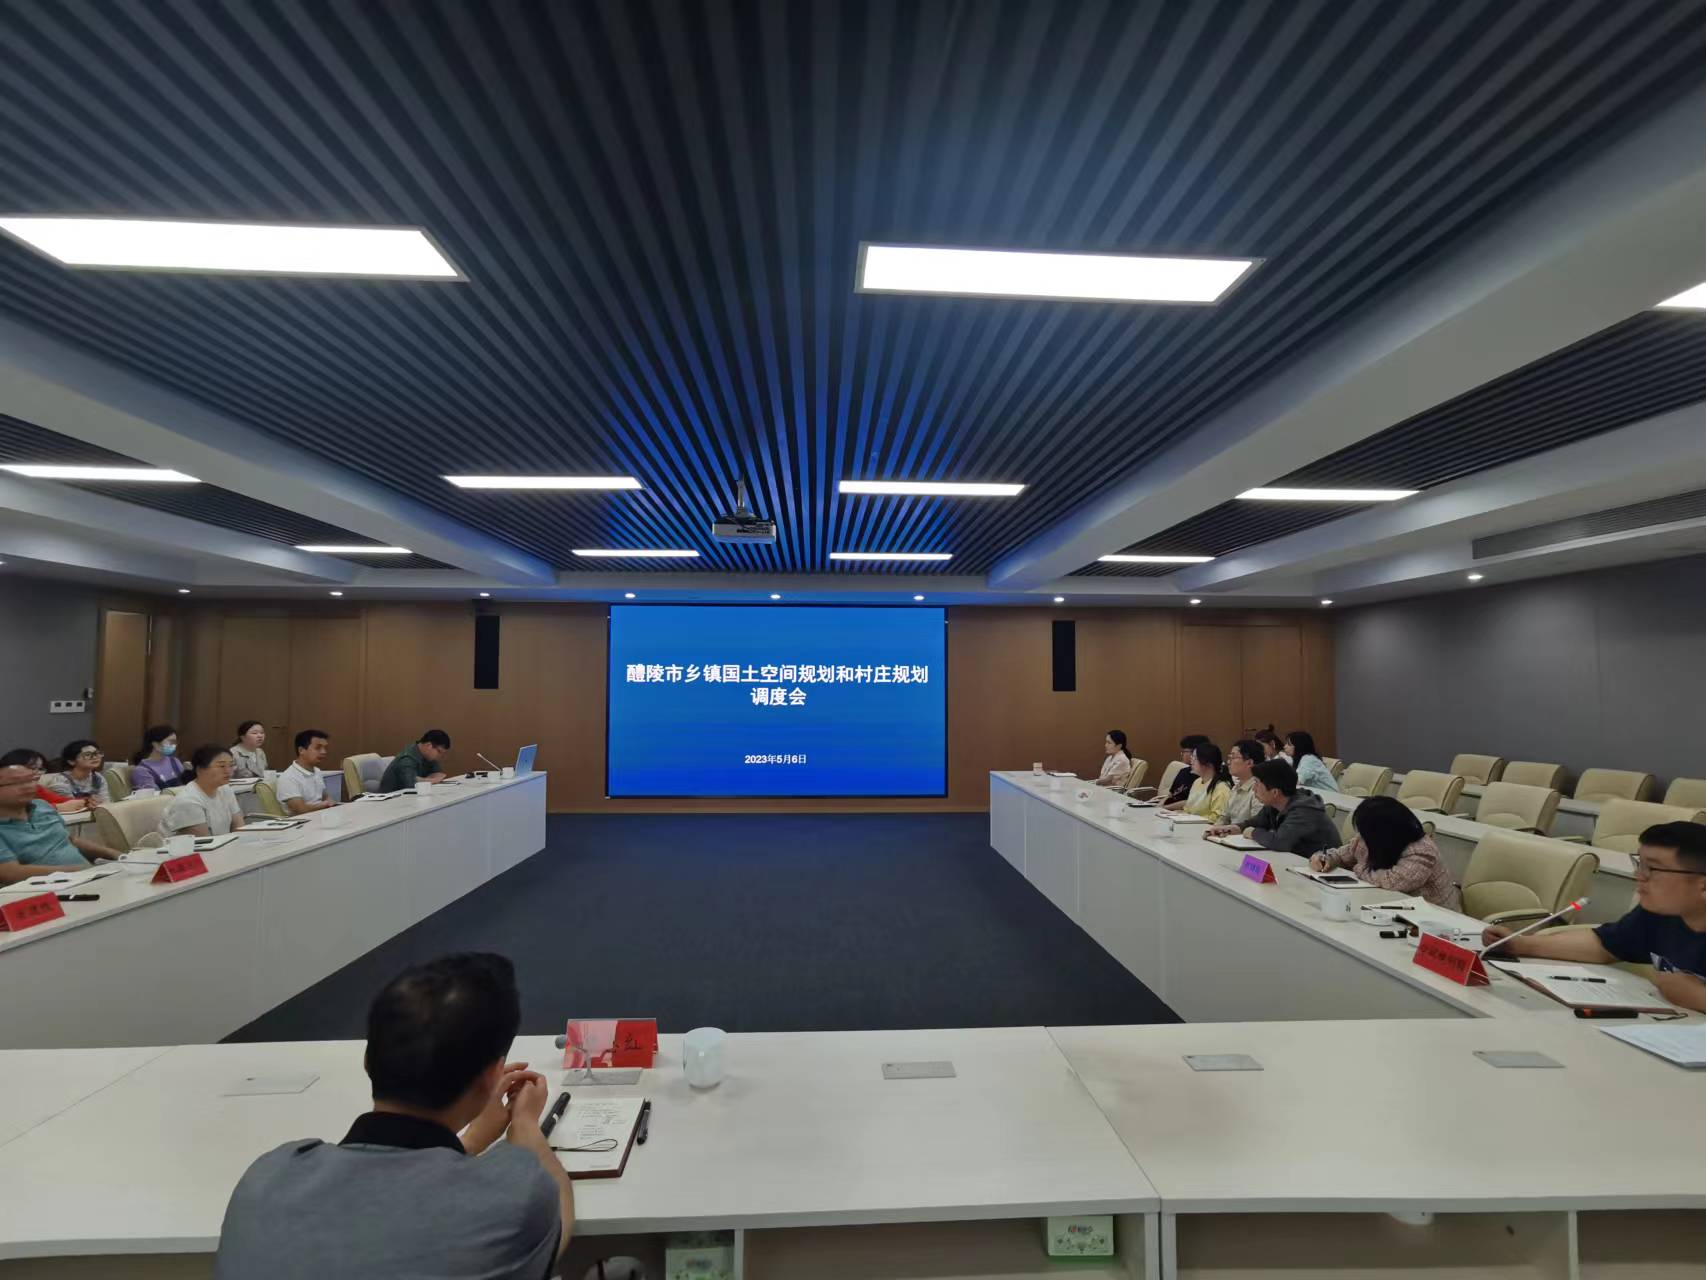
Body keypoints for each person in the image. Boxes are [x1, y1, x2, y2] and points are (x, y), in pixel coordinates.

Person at [214, 952, 574, 1279]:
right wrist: (525, 1125)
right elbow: (555, 1214)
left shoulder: (266, 1179)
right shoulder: (515, 1199)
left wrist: (472, 1139)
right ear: (491, 1078)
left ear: (367, 1060)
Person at [1482, 821, 1706, 1016]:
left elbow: (1692, 996)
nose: (1638, 876)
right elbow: (1603, 945)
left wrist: (1697, 997)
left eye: (1653, 869)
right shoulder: (1659, 913)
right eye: (1640, 864)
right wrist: (1520, 944)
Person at [1310, 795, 1459, 909]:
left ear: (1383, 831)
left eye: (1366, 832)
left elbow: (1391, 881)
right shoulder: (1369, 839)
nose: (1361, 837)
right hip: (1388, 907)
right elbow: (1341, 855)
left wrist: (1358, 867)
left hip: (1435, 918)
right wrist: (1324, 858)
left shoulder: (1422, 851)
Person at [0, 762, 122, 883]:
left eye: (30, 780)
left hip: (87, 878)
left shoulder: (42, 806)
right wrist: (78, 871)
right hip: (46, 888)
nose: (28, 786)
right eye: (17, 782)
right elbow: (10, 873)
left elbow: (70, 840)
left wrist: (115, 854)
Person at [1208, 759, 1339, 856]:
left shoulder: (1304, 810)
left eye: (1257, 784)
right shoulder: (1275, 804)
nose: (1253, 789)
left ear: (1275, 792)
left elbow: (1280, 842)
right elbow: (1255, 822)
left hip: (1323, 870)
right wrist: (1232, 829)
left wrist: (1252, 832)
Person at [158, 744, 247, 839]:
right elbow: (204, 841)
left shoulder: (225, 789)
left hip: (222, 844)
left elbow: (239, 828)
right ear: (200, 770)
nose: (228, 771)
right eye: (221, 766)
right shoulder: (188, 801)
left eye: (231, 765)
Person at [1, 747, 84, 812]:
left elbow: (61, 800)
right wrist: (56, 807)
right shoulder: (4, 789)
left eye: (40, 769)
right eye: (32, 768)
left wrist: (85, 801)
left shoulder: (36, 788)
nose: (38, 773)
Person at [1165, 742, 1232, 822]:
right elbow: (1188, 809)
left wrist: (1190, 818)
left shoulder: (1222, 788)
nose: (1191, 761)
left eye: (1195, 758)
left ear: (1208, 763)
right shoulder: (1197, 781)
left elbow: (1217, 818)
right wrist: (1175, 814)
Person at [276, 728, 336, 815]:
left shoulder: (317, 771)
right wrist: (325, 804)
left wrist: (329, 801)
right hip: (302, 820)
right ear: (301, 750)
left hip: (320, 815)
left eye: (325, 748)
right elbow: (301, 809)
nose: (324, 752)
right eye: (318, 748)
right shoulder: (288, 777)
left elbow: (325, 796)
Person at [42, 739, 109, 810]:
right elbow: (70, 806)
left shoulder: (98, 778)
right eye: (88, 755)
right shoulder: (60, 780)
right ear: (71, 761)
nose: (95, 757)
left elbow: (105, 802)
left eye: (97, 753)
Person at [380, 729, 452, 793]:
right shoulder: (407, 759)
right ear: (429, 746)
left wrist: (422, 780)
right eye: (439, 752)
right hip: (393, 800)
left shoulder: (429, 757)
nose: (441, 756)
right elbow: (411, 785)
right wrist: (431, 780)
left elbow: (438, 775)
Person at [129, 724, 188, 793]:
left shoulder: (175, 761)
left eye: (175, 742)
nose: (174, 745)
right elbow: (153, 797)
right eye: (171, 741)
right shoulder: (141, 771)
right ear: (155, 744)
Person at [1223, 739, 1266, 829]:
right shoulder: (1236, 787)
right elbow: (1224, 818)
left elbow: (1257, 825)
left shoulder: (1260, 789)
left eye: (1233, 758)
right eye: (1229, 757)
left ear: (1249, 762)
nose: (1228, 762)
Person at [1164, 734, 1210, 805]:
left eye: (1184, 751)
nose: (1182, 754)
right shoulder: (1183, 772)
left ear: (1195, 752)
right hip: (1169, 809)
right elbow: (1170, 795)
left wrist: (1166, 807)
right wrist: (1159, 806)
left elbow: (1191, 802)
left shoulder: (1205, 776)